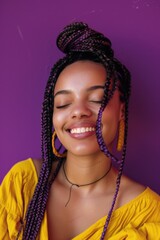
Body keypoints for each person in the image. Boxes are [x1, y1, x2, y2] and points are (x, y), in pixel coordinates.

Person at [0, 22, 160, 240]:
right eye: (64, 103)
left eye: (96, 99)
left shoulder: (149, 216)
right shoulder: (24, 184)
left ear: (121, 111)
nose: (78, 112)